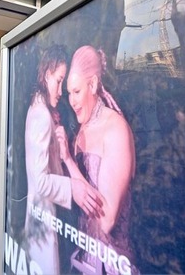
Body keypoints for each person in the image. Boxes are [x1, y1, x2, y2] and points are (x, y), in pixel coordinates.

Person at [57, 45, 138, 275]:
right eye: (69, 93)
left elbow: (106, 221)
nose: (71, 101)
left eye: (76, 91)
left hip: (112, 263)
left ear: (92, 85)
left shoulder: (116, 129)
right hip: (82, 258)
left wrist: (69, 163)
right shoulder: (80, 132)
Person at [23, 45, 103, 274]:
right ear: (47, 74)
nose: (61, 91)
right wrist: (73, 188)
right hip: (44, 223)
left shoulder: (40, 109)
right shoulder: (41, 116)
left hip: (44, 220)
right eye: (59, 81)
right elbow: (40, 181)